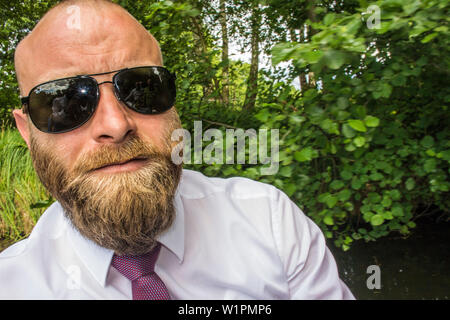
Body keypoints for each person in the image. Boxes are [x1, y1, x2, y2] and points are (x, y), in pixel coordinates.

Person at [0, 0, 355, 300]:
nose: (115, 125)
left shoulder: (270, 223)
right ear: (26, 131)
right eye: (63, 102)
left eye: (142, 88)